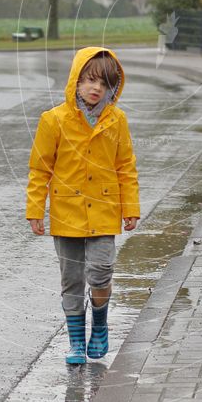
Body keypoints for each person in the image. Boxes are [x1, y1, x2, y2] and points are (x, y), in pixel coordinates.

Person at [26, 46, 140, 364]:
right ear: (76, 80)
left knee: (101, 271)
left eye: (103, 84)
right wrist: (35, 210)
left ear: (111, 89)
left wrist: (130, 207)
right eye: (90, 80)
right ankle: (76, 341)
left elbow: (126, 167)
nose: (95, 89)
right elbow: (40, 169)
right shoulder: (53, 120)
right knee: (72, 279)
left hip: (104, 209)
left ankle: (100, 325)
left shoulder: (117, 121)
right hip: (67, 213)